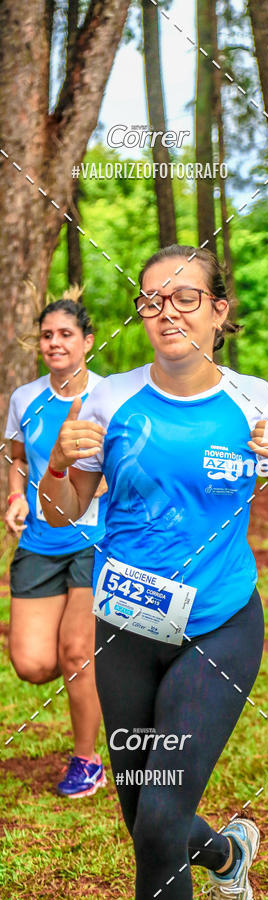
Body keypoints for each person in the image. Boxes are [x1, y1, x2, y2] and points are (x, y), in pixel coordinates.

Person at [39, 245, 268, 900]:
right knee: (143, 818)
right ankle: (227, 853)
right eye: (152, 300)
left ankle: (215, 853)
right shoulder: (108, 399)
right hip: (125, 626)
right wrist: (58, 461)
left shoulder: (257, 400)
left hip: (218, 624)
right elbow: (61, 515)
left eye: (184, 298)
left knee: (162, 820)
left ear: (219, 311)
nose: (166, 312)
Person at [4, 296, 107, 797]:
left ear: (87, 341)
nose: (55, 343)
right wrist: (14, 495)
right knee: (32, 664)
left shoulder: (111, 397)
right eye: (47, 335)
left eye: (66, 334)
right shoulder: (25, 399)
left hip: (98, 540)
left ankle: (87, 759)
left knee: (74, 652)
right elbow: (18, 454)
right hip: (42, 541)